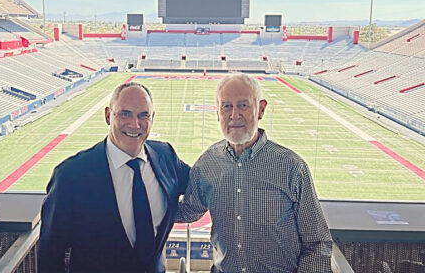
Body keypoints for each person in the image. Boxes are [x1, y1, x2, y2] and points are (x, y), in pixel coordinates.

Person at [176, 73, 332, 273]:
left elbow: (317, 242)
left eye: (243, 105)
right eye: (226, 106)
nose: (234, 115)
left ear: (261, 109)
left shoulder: (292, 167)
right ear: (217, 112)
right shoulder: (208, 163)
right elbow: (189, 209)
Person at [38, 82, 190, 273]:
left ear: (152, 118)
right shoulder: (71, 175)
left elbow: (205, 182)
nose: (135, 124)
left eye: (143, 115)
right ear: (108, 115)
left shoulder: (165, 156)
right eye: (125, 113)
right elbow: (50, 254)